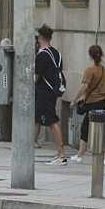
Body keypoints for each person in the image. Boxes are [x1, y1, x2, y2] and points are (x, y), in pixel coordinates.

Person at [69, 45, 105, 165]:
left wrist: (75, 100)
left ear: (90, 55)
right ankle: (100, 156)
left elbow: (84, 86)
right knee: (100, 129)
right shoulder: (104, 70)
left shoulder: (90, 70)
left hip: (92, 103)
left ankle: (82, 155)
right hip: (102, 102)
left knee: (85, 129)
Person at [34, 24, 67, 165]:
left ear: (40, 37)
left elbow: (35, 77)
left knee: (52, 122)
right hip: (53, 91)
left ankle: (61, 155)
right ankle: (29, 148)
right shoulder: (57, 54)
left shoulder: (42, 55)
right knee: (36, 119)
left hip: (44, 93)